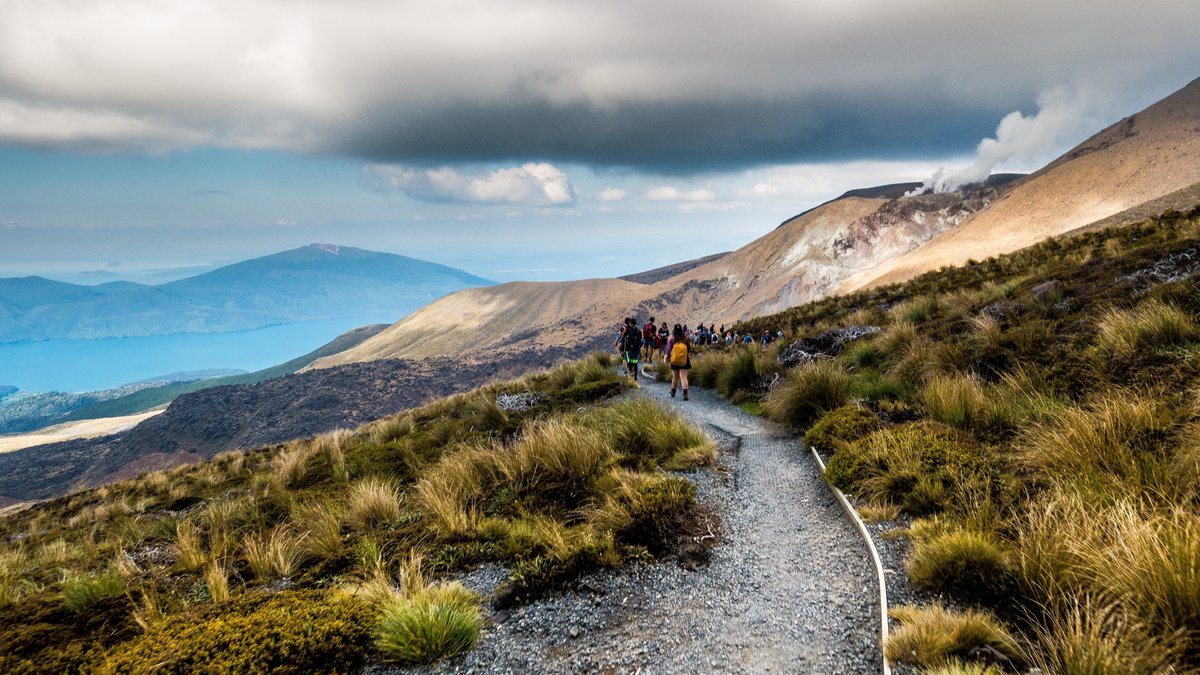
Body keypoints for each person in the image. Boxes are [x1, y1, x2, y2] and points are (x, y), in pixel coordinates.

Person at [665, 323, 691, 400]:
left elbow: (668, 349)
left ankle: (673, 392)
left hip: (675, 360)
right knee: (684, 377)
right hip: (684, 360)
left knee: (675, 377)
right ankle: (685, 395)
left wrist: (665, 358)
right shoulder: (685, 339)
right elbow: (689, 349)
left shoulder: (672, 339)